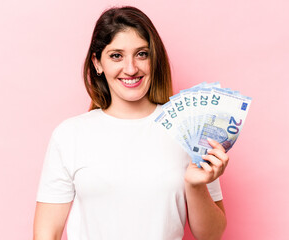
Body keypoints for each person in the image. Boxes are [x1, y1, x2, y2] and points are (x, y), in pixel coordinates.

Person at [33, 6, 228, 240]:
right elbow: (46, 234)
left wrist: (195, 186)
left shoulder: (187, 130)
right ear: (97, 63)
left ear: (153, 59)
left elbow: (212, 235)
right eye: (116, 55)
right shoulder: (69, 134)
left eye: (141, 54)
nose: (131, 68)